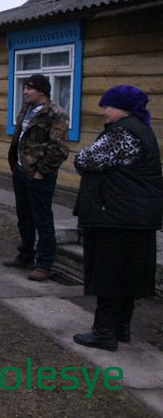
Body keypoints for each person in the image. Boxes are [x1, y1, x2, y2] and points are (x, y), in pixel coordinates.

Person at [71, 85, 162, 351]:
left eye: (106, 106)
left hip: (117, 216)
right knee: (127, 273)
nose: (103, 111)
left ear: (121, 108)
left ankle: (104, 333)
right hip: (134, 216)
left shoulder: (123, 132)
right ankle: (121, 327)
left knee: (109, 273)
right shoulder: (141, 130)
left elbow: (87, 160)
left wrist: (81, 155)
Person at [3, 74, 70, 281]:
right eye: (25, 88)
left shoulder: (56, 113)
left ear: (42, 90)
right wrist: (16, 165)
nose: (25, 91)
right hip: (21, 172)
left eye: (29, 88)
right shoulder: (27, 109)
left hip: (39, 176)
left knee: (42, 219)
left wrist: (42, 171)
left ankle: (44, 264)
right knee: (24, 216)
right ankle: (25, 255)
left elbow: (59, 149)